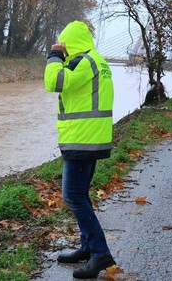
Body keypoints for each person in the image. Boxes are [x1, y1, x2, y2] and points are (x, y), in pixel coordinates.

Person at [43, 20, 116, 279]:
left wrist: (54, 55)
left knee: (73, 196)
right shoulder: (96, 61)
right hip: (90, 138)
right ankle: (87, 248)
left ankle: (100, 253)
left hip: (82, 140)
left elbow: (54, 82)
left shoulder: (83, 62)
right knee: (80, 195)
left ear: (69, 42)